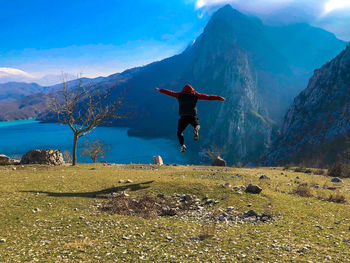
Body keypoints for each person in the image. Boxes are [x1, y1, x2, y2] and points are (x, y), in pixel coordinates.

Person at [156, 84, 225, 153]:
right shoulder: (195, 95)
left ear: (183, 90)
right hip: (192, 116)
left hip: (183, 116)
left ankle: (182, 145)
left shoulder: (180, 95)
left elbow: (170, 92)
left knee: (179, 132)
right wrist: (218, 98)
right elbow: (208, 97)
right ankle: (195, 129)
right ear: (192, 90)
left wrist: (161, 90)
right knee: (197, 125)